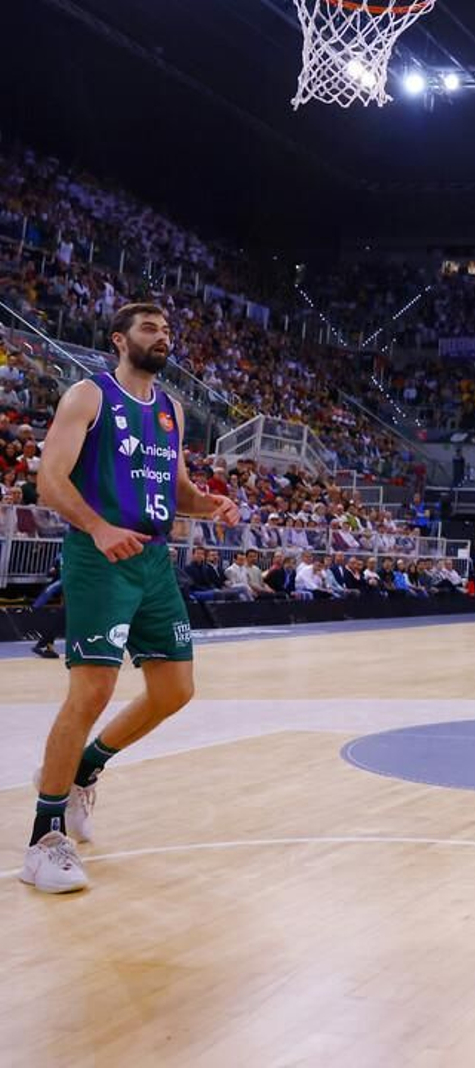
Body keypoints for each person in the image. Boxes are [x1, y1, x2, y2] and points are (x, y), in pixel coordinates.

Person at [21, 303, 241, 894]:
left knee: (175, 690)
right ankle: (44, 839)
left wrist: (209, 503)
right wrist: (97, 527)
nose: (162, 337)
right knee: (92, 690)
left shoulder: (171, 409)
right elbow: (49, 480)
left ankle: (84, 769)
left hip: (153, 561)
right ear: (120, 339)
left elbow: (178, 488)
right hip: (100, 557)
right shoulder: (88, 396)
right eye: (149, 328)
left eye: (167, 330)